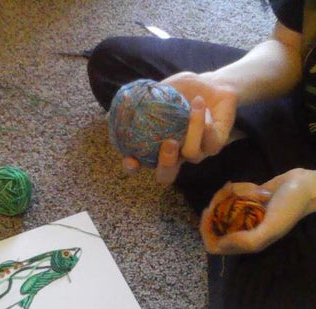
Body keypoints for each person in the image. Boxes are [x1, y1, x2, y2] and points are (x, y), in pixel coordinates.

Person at [87, 0, 316, 307]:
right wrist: (222, 85)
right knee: (113, 64)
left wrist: (307, 192)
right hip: (302, 108)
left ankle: (247, 167)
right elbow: (290, 45)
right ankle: (244, 162)